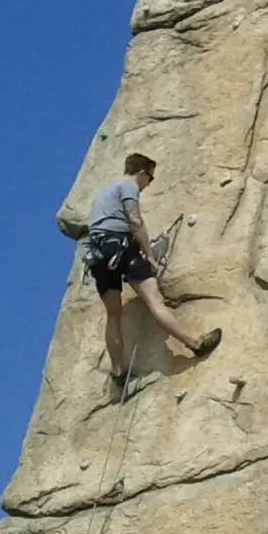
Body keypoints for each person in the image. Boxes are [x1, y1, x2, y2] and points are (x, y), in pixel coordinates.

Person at [84, 153, 222, 397]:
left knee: (113, 315)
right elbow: (135, 221)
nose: (150, 183)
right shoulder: (127, 186)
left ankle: (117, 371)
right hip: (122, 248)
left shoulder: (101, 196)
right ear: (141, 173)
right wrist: (148, 254)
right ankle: (194, 343)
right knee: (154, 300)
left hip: (98, 256)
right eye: (150, 177)